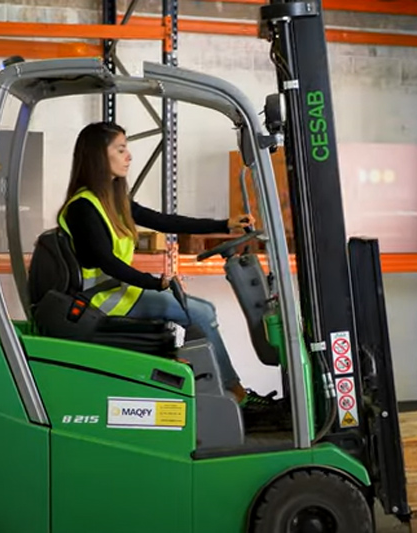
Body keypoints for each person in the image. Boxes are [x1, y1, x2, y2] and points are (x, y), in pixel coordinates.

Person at [57, 121, 281, 415]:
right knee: (199, 312)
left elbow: (164, 221)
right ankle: (234, 393)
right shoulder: (83, 207)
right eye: (121, 149)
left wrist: (223, 224)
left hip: (120, 294)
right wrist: (155, 283)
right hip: (103, 302)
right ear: (99, 156)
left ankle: (219, 391)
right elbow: (106, 261)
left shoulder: (112, 200)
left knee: (204, 312)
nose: (129, 156)